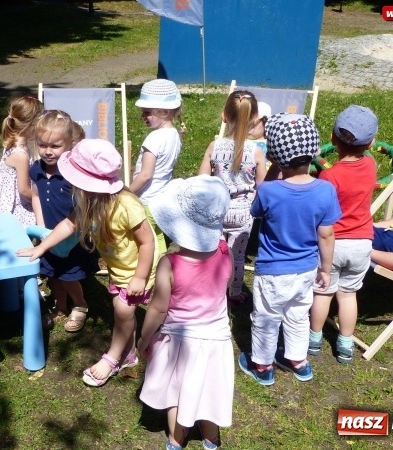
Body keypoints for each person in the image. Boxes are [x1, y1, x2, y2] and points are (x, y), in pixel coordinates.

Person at [18, 139, 159, 387]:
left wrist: (139, 277)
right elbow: (68, 225)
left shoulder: (127, 204)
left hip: (140, 268)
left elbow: (147, 243)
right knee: (122, 309)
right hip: (119, 269)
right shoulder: (89, 202)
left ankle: (112, 358)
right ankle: (129, 355)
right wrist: (42, 246)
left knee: (123, 311)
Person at [238, 114, 340, 386]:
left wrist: (271, 168)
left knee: (266, 318)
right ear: (314, 151)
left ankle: (262, 365)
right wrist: (326, 269)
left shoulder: (271, 192)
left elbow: (255, 210)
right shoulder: (326, 190)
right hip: (306, 269)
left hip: (273, 271)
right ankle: (298, 360)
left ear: (274, 155)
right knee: (297, 314)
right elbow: (327, 234)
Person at [137, 175, 234, 450]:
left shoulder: (170, 263)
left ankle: (176, 440)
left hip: (180, 341)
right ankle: (211, 438)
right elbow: (224, 286)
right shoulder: (224, 251)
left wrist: (144, 339)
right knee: (208, 390)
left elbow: (157, 307)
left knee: (176, 393)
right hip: (216, 339)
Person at [309, 105, 379, 364]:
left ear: (332, 138)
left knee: (323, 293)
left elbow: (320, 208)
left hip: (334, 244)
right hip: (362, 243)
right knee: (348, 295)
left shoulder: (329, 175)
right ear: (371, 143)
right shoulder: (371, 165)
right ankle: (346, 344)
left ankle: (314, 339)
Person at [29, 110, 98, 332]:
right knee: (52, 275)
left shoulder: (74, 174)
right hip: (48, 234)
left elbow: (78, 216)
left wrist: (53, 236)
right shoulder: (37, 169)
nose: (47, 151)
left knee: (68, 276)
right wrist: (41, 228)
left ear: (70, 144)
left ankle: (80, 305)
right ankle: (60, 305)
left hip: (71, 237)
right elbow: (36, 195)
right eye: (42, 145)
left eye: (55, 146)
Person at [199, 90, 267, 304]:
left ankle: (213, 289)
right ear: (254, 118)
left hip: (217, 210)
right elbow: (263, 187)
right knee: (237, 256)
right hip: (243, 213)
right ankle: (235, 292)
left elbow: (202, 180)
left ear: (224, 116)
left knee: (213, 253)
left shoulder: (214, 146)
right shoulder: (256, 151)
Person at [129, 79, 184, 255]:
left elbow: (146, 175)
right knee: (157, 236)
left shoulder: (154, 138)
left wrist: (127, 193)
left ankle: (158, 269)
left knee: (150, 240)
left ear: (165, 111)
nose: (142, 116)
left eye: (147, 112)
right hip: (162, 197)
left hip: (147, 199)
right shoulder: (174, 134)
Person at [0, 96, 44, 226]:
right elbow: (23, 190)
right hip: (15, 211)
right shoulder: (20, 155)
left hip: (4, 204)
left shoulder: (12, 142)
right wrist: (43, 201)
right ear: (32, 125)